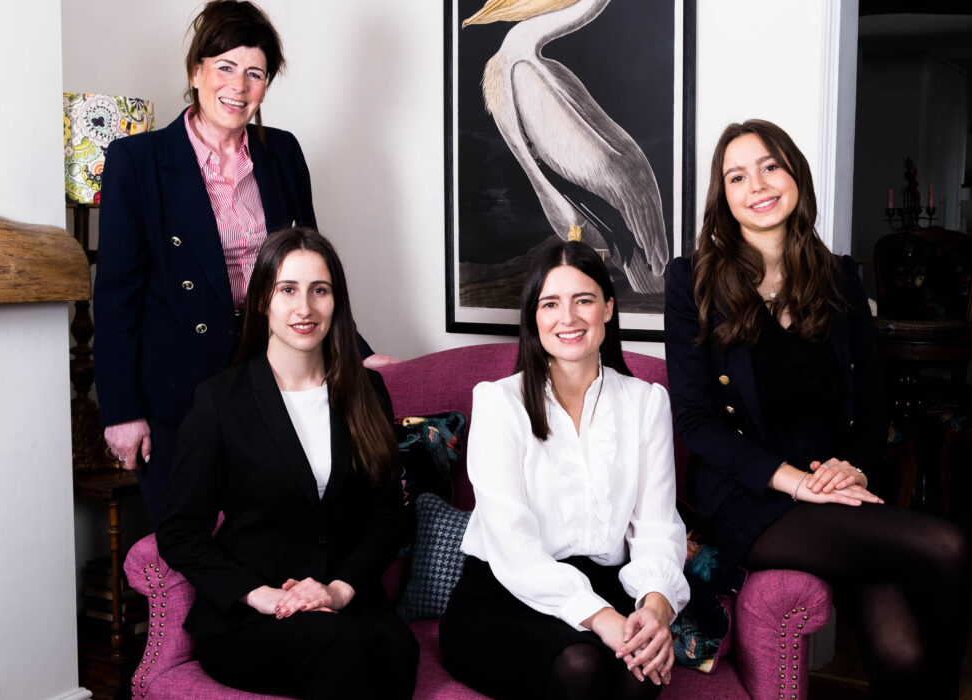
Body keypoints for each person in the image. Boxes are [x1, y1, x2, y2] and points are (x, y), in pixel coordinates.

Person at [664, 120, 970, 699]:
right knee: (946, 545)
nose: (757, 183)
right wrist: (797, 485)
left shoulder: (839, 278)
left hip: (836, 482)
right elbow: (696, 420)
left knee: (902, 653)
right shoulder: (692, 281)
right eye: (737, 175)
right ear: (723, 196)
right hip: (750, 496)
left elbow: (873, 402)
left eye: (770, 166)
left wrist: (852, 468)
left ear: (795, 175)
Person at [93, 0, 395, 524]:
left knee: (274, 540)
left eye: (255, 73)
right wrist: (121, 411)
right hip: (178, 388)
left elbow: (310, 272)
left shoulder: (282, 153)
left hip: (272, 373)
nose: (238, 85)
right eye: (225, 67)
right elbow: (116, 293)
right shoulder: (137, 161)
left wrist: (356, 352)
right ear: (196, 72)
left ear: (267, 84)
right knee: (192, 544)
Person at [156, 227, 418, 699]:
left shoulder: (366, 391)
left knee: (397, 648)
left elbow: (388, 517)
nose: (305, 308)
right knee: (349, 648)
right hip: (252, 614)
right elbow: (180, 532)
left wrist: (337, 590)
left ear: (336, 301)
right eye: (288, 290)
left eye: (320, 290)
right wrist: (264, 596)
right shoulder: (220, 401)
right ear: (262, 301)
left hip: (342, 602)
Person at [439, 240, 690, 700]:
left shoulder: (646, 402)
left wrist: (655, 607)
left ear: (609, 308)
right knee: (580, 665)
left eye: (584, 300)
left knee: (639, 675)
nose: (567, 318)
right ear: (534, 317)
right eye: (550, 303)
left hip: (605, 583)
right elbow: (512, 547)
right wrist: (603, 619)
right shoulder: (498, 403)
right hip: (503, 592)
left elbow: (656, 526)